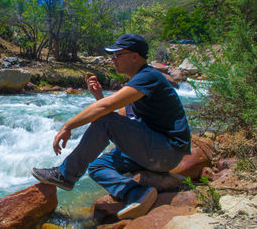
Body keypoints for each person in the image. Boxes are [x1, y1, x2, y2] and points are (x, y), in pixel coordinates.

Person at [31, 34, 191, 219]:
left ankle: (65, 175)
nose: (112, 59)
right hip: (153, 149)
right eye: (112, 56)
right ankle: (137, 193)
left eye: (117, 55)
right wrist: (99, 96)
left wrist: (67, 126)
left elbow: (105, 112)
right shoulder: (138, 82)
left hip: (167, 151)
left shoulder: (148, 76)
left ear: (134, 56)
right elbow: (119, 118)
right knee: (97, 166)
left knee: (104, 120)